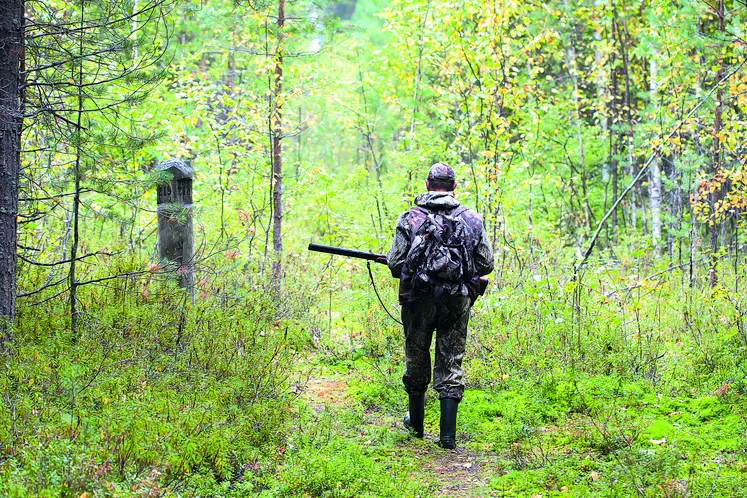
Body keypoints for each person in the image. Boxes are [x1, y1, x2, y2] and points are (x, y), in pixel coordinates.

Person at [386, 163, 494, 449]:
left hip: (418, 299)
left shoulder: (410, 217)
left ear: (426, 184)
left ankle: (416, 428)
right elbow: (486, 264)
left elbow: (396, 263)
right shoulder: (472, 218)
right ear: (454, 186)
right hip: (456, 301)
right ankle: (447, 437)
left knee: (416, 355)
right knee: (451, 360)